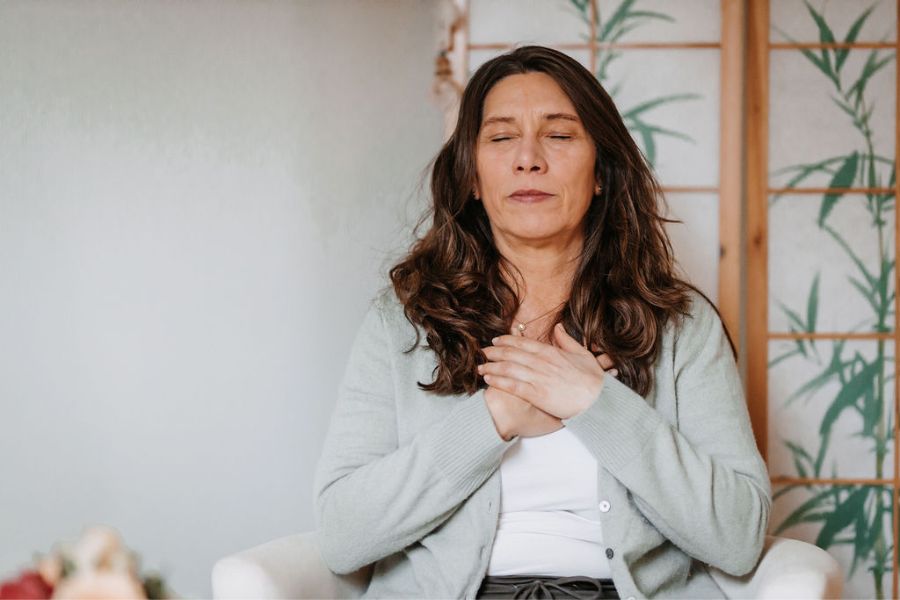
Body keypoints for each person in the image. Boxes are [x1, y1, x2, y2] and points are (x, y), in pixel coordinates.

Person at [313, 45, 771, 599]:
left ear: (601, 171)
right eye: (502, 137)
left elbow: (740, 535)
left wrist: (595, 404)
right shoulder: (403, 321)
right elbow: (341, 534)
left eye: (559, 135)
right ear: (473, 177)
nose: (529, 158)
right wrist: (495, 417)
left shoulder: (679, 325)